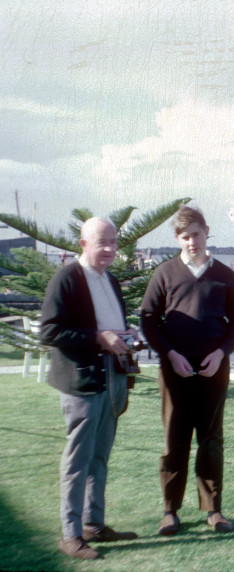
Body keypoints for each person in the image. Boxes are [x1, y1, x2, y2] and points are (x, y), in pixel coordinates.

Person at [140, 205, 234, 536]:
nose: (192, 242)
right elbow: (148, 320)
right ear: (177, 238)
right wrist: (170, 354)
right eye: (185, 237)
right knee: (175, 440)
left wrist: (221, 353)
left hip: (214, 370)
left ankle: (213, 510)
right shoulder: (165, 273)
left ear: (206, 233)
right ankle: (170, 512)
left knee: (211, 440)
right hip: (175, 371)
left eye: (197, 235)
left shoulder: (224, 276)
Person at [39, 217, 138, 560]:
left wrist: (125, 336)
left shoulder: (109, 279)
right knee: (78, 460)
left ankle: (93, 524)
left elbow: (111, 327)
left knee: (99, 456)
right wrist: (99, 338)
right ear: (83, 244)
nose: (110, 249)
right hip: (82, 382)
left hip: (112, 379)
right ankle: (70, 535)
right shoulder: (67, 278)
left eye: (114, 242)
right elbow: (49, 332)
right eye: (102, 243)